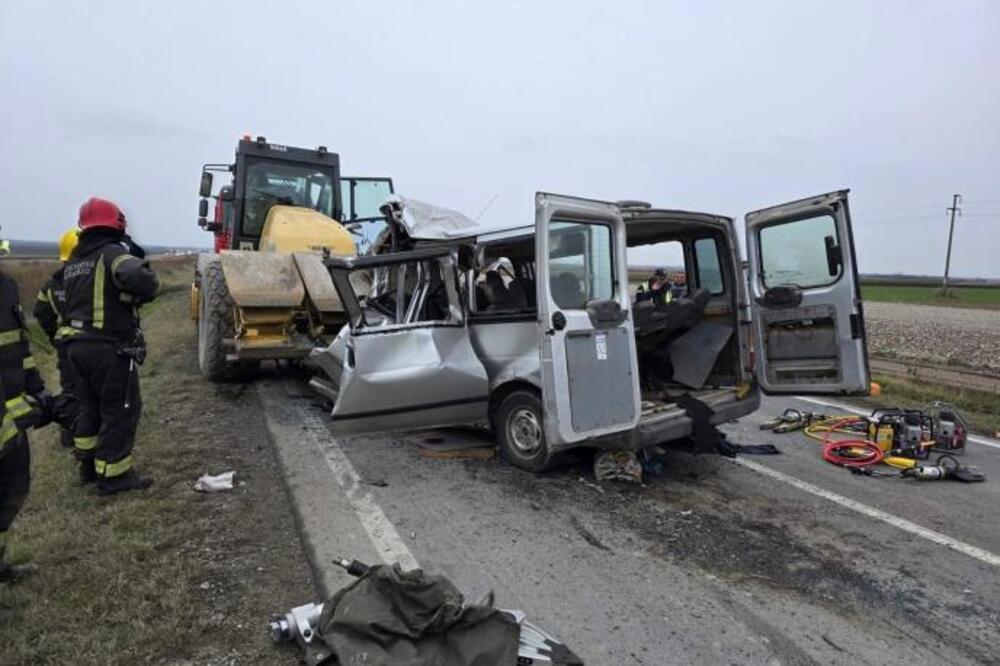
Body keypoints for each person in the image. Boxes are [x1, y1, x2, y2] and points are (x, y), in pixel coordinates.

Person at [62, 197, 159, 494]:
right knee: (121, 409)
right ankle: (115, 475)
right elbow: (139, 276)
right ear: (116, 223)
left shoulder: (75, 263)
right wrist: (143, 291)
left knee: (89, 407)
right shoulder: (113, 253)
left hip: (75, 347)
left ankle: (88, 468)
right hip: (107, 347)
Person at [0, 259, 52, 584]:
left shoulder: (6, 287)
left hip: (9, 415)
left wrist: (35, 387)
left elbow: (18, 346)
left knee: (13, 490)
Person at [32, 228, 80, 449]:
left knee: (70, 390)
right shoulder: (87, 278)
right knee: (93, 390)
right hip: (91, 343)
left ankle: (69, 433)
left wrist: (55, 336)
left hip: (65, 345)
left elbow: (41, 313)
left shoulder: (52, 283)